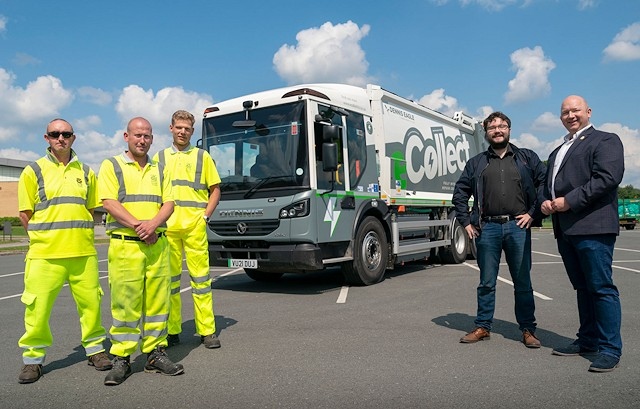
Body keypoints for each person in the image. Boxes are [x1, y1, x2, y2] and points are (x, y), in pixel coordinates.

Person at [16, 119, 111, 384]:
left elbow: (91, 210)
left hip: (82, 254)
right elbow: (25, 214)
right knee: (37, 311)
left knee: (91, 305)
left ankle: (95, 350)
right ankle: (33, 360)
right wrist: (44, 238)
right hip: (45, 256)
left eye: (66, 134)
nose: (61, 138)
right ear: (46, 138)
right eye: (55, 134)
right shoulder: (32, 171)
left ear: (73, 137)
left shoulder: (87, 172)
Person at [541, 95, 624, 372]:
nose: (570, 115)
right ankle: (588, 339)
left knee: (601, 288)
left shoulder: (605, 140)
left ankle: (610, 348)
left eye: (575, 110)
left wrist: (569, 201)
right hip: (565, 229)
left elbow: (607, 178)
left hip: (593, 226)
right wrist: (545, 201)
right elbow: (549, 185)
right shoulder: (558, 150)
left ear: (588, 111)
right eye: (565, 112)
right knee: (582, 288)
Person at [98, 117, 183, 386]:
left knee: (159, 303)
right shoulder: (111, 165)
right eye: (137, 135)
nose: (142, 140)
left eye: (146, 136)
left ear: (152, 139)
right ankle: (122, 357)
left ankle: (155, 354)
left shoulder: (160, 169)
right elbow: (109, 202)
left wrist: (154, 225)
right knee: (125, 304)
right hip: (126, 244)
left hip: (157, 244)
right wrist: (139, 226)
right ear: (126, 136)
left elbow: (169, 203)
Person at [453, 111, 546, 348]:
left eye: (502, 126)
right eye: (492, 127)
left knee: (522, 281)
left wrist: (533, 213)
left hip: (518, 226)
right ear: (486, 132)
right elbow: (460, 193)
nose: (498, 130)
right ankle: (483, 326)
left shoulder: (526, 158)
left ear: (509, 130)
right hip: (488, 229)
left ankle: (528, 329)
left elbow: (544, 184)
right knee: (486, 282)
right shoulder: (477, 163)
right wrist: (465, 222)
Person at [154, 110, 222, 349]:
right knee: (169, 283)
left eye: (187, 128)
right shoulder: (159, 158)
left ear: (192, 131)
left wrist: (204, 216)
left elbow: (215, 190)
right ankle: (172, 330)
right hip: (169, 229)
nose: (182, 132)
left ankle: (207, 331)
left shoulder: (203, 157)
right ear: (171, 128)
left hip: (194, 227)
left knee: (201, 281)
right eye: (179, 127)